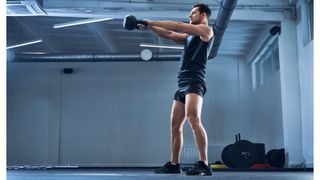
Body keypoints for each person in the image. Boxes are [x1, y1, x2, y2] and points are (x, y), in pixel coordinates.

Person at [138, 3, 214, 176]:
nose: (190, 16)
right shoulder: (189, 36)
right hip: (182, 83)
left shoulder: (206, 32)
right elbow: (171, 34)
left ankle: (204, 163)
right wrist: (151, 27)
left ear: (203, 16)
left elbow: (178, 25)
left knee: (193, 118)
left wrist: (151, 21)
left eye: (193, 13)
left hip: (195, 81)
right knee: (175, 126)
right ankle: (174, 164)